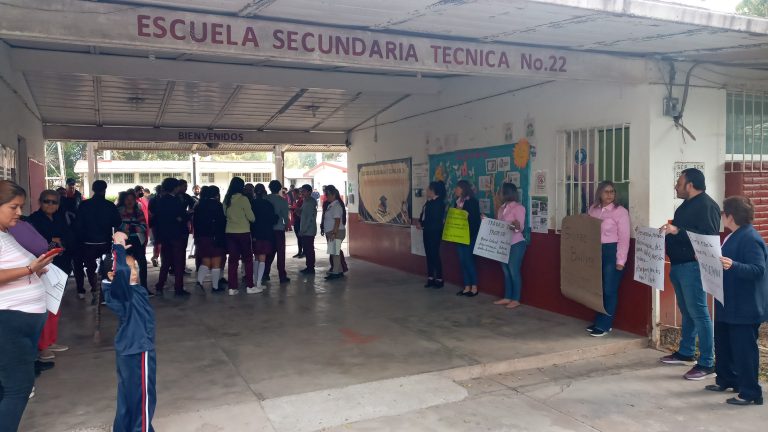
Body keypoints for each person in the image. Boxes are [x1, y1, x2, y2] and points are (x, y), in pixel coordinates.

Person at [0, 180, 58, 431]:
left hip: (20, 323)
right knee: (18, 389)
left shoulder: (6, 233)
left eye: (21, 207)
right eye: (13, 207)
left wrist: (35, 271)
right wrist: (29, 269)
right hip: (9, 322)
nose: (19, 213)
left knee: (10, 387)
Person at [659, 168, 721, 380]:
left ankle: (707, 362)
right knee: (687, 310)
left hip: (693, 268)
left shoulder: (707, 206)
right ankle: (686, 351)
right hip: (678, 264)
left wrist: (677, 231)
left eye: (679, 182)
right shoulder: (685, 206)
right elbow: (683, 231)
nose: (676, 186)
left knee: (699, 312)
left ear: (690, 185)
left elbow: (708, 237)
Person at [709, 196, 768, 406]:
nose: (722, 217)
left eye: (723, 213)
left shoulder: (750, 238)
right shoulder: (733, 235)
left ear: (730, 216)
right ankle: (727, 379)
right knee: (724, 343)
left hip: (745, 305)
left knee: (744, 350)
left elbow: (758, 270)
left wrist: (733, 265)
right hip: (728, 301)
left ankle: (750, 391)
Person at [103, 232, 157, 431]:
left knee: (129, 394)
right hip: (138, 349)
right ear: (112, 275)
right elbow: (122, 274)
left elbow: (123, 274)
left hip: (130, 348)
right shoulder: (122, 293)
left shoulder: (132, 290)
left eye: (135, 267)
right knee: (144, 397)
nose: (133, 272)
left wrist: (118, 256)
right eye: (129, 268)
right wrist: (117, 246)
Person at [28, 190, 76, 360]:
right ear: (40, 202)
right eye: (47, 201)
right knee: (43, 308)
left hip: (60, 267)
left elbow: (69, 239)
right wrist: (52, 242)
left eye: (54, 202)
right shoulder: (33, 220)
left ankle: (50, 341)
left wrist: (59, 241)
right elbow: (34, 245)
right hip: (44, 268)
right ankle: (42, 347)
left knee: (54, 306)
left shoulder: (60, 218)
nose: (50, 205)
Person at [585, 181, 630, 336]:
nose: (609, 195)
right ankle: (600, 320)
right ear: (599, 193)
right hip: (596, 251)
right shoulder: (593, 209)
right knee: (599, 289)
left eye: (612, 191)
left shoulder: (620, 212)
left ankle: (605, 325)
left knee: (609, 289)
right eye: (606, 191)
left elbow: (624, 238)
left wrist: (620, 261)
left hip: (612, 252)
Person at [75, 180, 121, 303]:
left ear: (93, 189)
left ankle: (95, 290)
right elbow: (117, 222)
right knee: (106, 268)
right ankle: (103, 293)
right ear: (104, 189)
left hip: (88, 243)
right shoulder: (109, 205)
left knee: (90, 268)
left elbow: (78, 224)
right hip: (105, 243)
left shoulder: (84, 205)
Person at [488, 183, 528, 308]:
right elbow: (499, 225)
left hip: (516, 243)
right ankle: (507, 297)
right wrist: (487, 221)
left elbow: (519, 228)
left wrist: (515, 225)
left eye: (500, 192)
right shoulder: (501, 208)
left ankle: (516, 299)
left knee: (513, 270)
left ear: (507, 193)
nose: (499, 194)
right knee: (505, 271)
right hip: (503, 243)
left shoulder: (518, 208)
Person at [152, 178, 190, 297]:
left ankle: (160, 285)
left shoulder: (161, 200)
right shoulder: (175, 200)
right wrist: (183, 217)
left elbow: (157, 218)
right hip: (176, 234)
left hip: (164, 235)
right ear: (174, 187)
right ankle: (178, 288)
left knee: (166, 262)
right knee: (178, 262)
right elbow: (182, 216)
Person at [224, 177, 255, 296]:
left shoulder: (226, 199)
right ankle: (250, 286)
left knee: (232, 260)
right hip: (243, 232)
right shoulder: (243, 199)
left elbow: (224, 214)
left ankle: (232, 288)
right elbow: (251, 217)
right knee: (248, 259)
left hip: (230, 233)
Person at [194, 186, 226, 293]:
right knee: (216, 261)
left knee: (206, 260)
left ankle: (199, 281)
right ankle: (215, 287)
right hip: (215, 237)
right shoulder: (218, 205)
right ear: (216, 194)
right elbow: (222, 223)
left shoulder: (199, 205)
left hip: (202, 237)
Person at [117, 190, 149, 291]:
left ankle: (144, 287)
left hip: (137, 241)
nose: (130, 202)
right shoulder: (119, 211)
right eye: (127, 199)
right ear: (123, 200)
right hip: (124, 241)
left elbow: (143, 226)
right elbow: (118, 225)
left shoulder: (138, 211)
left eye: (132, 199)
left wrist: (129, 227)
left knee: (142, 264)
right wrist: (135, 226)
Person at [454, 180, 481, 297]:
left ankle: (474, 287)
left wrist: (463, 214)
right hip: (459, 236)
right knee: (462, 261)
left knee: (469, 261)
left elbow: (475, 221)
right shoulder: (457, 202)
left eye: (458, 188)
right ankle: (466, 287)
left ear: (464, 189)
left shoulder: (472, 202)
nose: (456, 190)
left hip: (469, 236)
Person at [418, 181, 446, 289]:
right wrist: (421, 222)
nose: (426, 191)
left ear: (434, 191)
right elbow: (424, 214)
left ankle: (439, 278)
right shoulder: (428, 202)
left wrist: (423, 224)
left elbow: (434, 218)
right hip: (427, 231)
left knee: (434, 254)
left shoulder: (439, 203)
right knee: (429, 254)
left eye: (429, 189)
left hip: (435, 231)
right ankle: (430, 277)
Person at [250, 184, 276, 293]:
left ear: (254, 192)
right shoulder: (268, 204)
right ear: (265, 192)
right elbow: (273, 219)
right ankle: (259, 283)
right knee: (262, 258)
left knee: (256, 257)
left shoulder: (251, 204)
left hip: (254, 233)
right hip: (266, 233)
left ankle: (255, 280)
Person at [264, 180, 291, 284]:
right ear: (280, 189)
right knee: (280, 253)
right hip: (279, 229)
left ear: (269, 188)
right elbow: (285, 216)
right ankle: (282, 276)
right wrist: (287, 225)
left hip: (267, 230)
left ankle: (265, 273)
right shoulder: (282, 200)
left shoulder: (265, 199)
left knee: (268, 252)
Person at [324, 185, 347, 280]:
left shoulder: (336, 206)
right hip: (333, 232)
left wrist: (334, 233)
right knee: (334, 252)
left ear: (334, 195)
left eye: (328, 194)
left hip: (336, 232)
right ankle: (339, 271)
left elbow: (337, 221)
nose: (326, 196)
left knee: (335, 253)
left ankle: (336, 272)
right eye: (326, 194)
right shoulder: (331, 205)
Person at [298, 184, 318, 274]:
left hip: (308, 230)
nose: (302, 193)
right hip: (305, 229)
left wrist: (304, 230)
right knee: (307, 249)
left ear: (309, 192)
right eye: (301, 191)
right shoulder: (305, 201)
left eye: (304, 191)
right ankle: (309, 266)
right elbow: (302, 213)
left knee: (309, 249)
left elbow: (310, 218)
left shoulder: (311, 202)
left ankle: (310, 267)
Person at [291, 188, 304, 258]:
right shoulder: (295, 201)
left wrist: (294, 209)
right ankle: (300, 251)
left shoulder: (301, 200)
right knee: (298, 237)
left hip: (300, 220)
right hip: (296, 220)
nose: (293, 195)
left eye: (294, 194)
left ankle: (303, 252)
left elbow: (300, 210)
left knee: (301, 237)